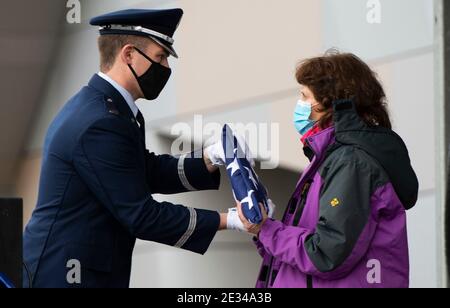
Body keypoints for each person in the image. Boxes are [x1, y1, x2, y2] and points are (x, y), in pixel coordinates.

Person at [23, 8, 237, 288]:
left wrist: (210, 157)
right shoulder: (100, 121)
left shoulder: (112, 110)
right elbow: (141, 215)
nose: (166, 69)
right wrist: (229, 220)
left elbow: (146, 170)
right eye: (160, 57)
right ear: (128, 54)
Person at [237, 51, 419, 288]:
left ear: (330, 104)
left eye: (304, 96)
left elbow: (325, 254)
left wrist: (267, 229)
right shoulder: (332, 157)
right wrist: (263, 231)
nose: (299, 105)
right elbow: (306, 260)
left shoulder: (351, 162)